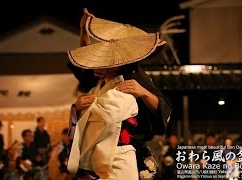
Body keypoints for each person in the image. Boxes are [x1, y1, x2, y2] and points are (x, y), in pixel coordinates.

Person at [67, 8, 172, 180]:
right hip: (96, 152)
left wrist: (143, 92)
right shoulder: (99, 81)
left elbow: (163, 106)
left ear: (113, 64)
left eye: (101, 59)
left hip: (123, 151)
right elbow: (84, 65)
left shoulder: (133, 76)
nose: (95, 62)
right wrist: (83, 30)